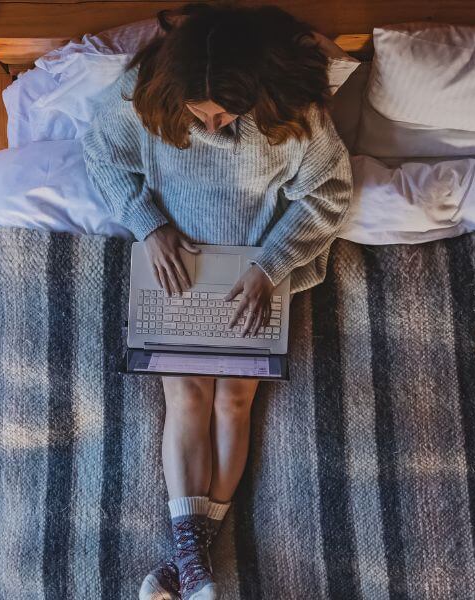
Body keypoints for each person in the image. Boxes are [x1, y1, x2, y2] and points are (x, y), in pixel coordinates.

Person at [81, 4, 354, 599]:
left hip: (253, 269)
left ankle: (187, 564)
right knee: (186, 395)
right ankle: (194, 565)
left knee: (233, 402)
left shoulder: (295, 116)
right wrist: (147, 224)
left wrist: (270, 265)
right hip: (175, 264)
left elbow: (327, 194)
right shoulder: (141, 100)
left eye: (226, 112)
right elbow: (102, 158)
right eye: (197, 112)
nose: (210, 126)